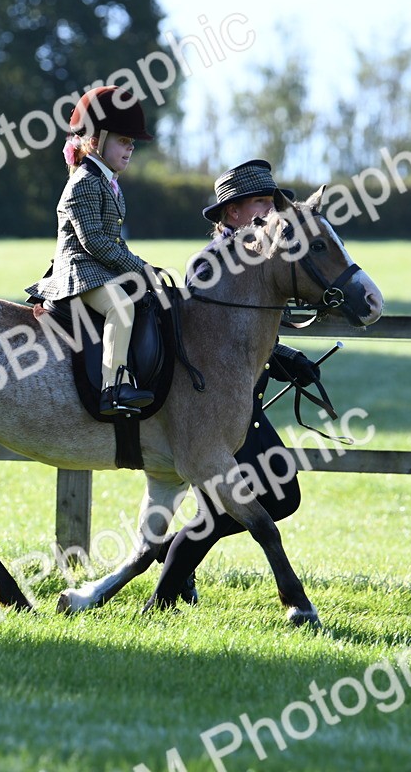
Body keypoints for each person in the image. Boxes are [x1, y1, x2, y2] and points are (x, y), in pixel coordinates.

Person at [151, 159, 322, 606]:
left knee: (264, 499)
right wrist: (282, 358)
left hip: (246, 400)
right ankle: (165, 576)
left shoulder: (267, 258)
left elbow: (257, 338)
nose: (269, 213)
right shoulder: (208, 264)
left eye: (271, 203)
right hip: (212, 406)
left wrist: (287, 359)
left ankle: (164, 579)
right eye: (259, 205)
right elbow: (216, 343)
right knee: (274, 498)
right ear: (230, 214)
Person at [25, 86, 157, 416]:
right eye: (123, 141)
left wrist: (144, 269)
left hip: (99, 268)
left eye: (132, 143)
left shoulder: (109, 181)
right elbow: (94, 242)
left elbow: (115, 242)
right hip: (79, 271)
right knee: (121, 307)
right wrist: (139, 267)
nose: (130, 149)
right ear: (96, 140)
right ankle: (113, 387)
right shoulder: (83, 182)